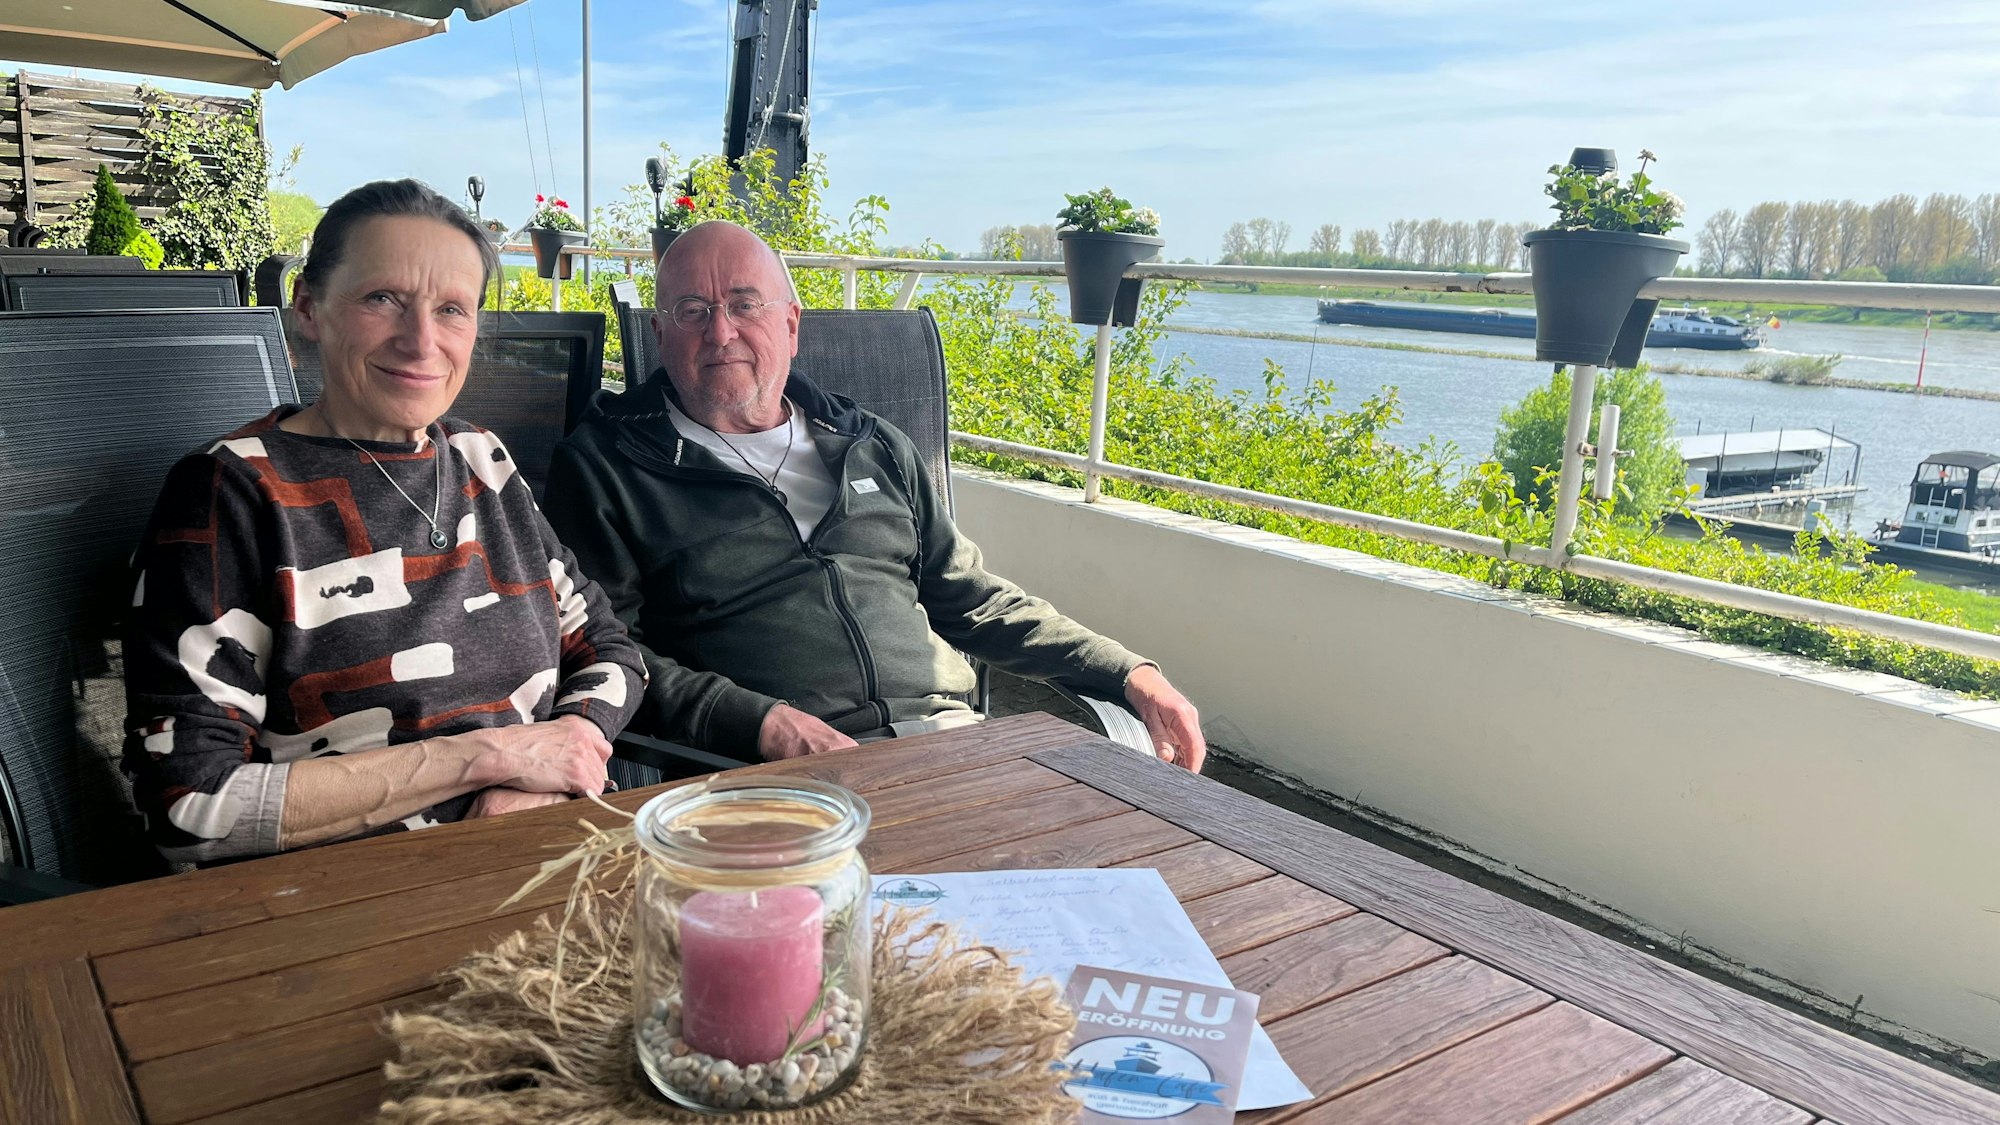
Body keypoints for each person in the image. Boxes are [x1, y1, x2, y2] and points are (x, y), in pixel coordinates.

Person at [546, 221, 1205, 769]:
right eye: (694, 311)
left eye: (746, 304)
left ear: (792, 324)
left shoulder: (874, 444)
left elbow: (971, 598)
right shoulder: (609, 467)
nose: (721, 332)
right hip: (776, 776)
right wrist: (765, 724)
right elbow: (604, 650)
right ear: (660, 335)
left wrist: (1124, 671)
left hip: (955, 749)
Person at [122, 179, 647, 864]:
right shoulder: (236, 489)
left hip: (539, 853)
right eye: (383, 299)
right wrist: (492, 757)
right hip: (345, 898)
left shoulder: (480, 461)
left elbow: (609, 647)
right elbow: (190, 803)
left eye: (452, 309)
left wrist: (556, 765)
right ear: (309, 306)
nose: (421, 339)